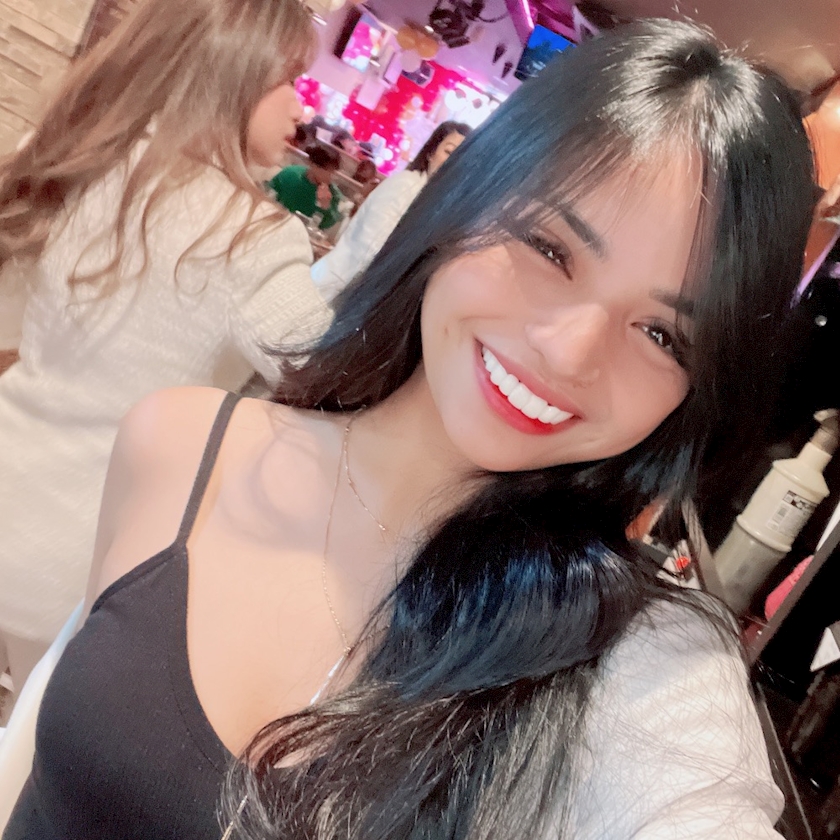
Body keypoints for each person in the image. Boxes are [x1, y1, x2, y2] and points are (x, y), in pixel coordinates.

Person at [4, 19, 816, 840]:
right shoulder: (182, 446)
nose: (568, 352)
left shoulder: (635, 661)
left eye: (661, 334)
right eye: (550, 248)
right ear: (469, 197)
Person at [0, 0, 330, 687]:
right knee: (37, 738)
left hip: (13, 474)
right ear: (234, 73)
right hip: (84, 553)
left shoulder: (82, 161)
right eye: (289, 80)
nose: (302, 110)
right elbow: (333, 377)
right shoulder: (251, 236)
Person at [311, 120, 470, 301]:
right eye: (448, 152)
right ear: (431, 153)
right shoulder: (406, 186)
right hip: (335, 291)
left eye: (460, 157)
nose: (451, 162)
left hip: (352, 294)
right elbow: (371, 250)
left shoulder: (431, 202)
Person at [266, 143, 345, 230]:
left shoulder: (332, 194)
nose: (331, 176)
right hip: (273, 224)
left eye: (333, 172)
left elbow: (326, 226)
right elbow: (267, 194)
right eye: (327, 170)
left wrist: (325, 207)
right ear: (312, 164)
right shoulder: (290, 174)